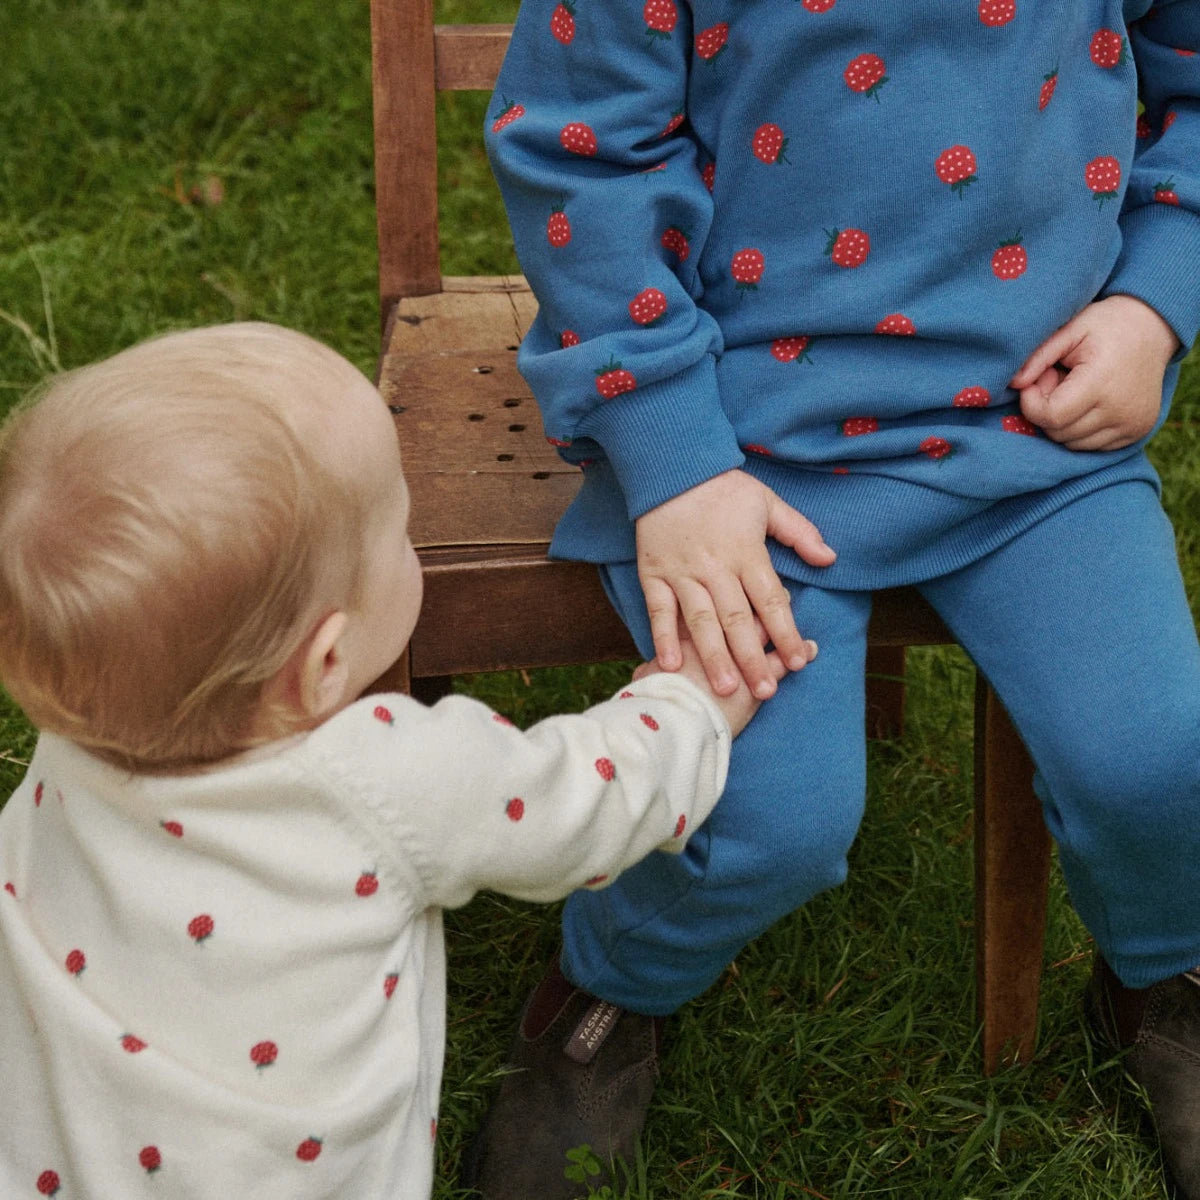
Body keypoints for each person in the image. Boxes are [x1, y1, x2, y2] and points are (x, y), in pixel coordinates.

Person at [473, 3, 1200, 1197]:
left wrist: (1155, 299)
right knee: (763, 822)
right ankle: (605, 992)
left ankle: (1168, 978)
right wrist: (673, 454)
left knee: (1159, 757)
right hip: (738, 446)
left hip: (1031, 423)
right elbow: (576, 150)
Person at [0, 322, 782, 1199]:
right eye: (402, 531)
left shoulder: (76, 739)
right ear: (327, 662)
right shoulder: (385, 780)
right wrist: (692, 709)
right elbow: (587, 802)